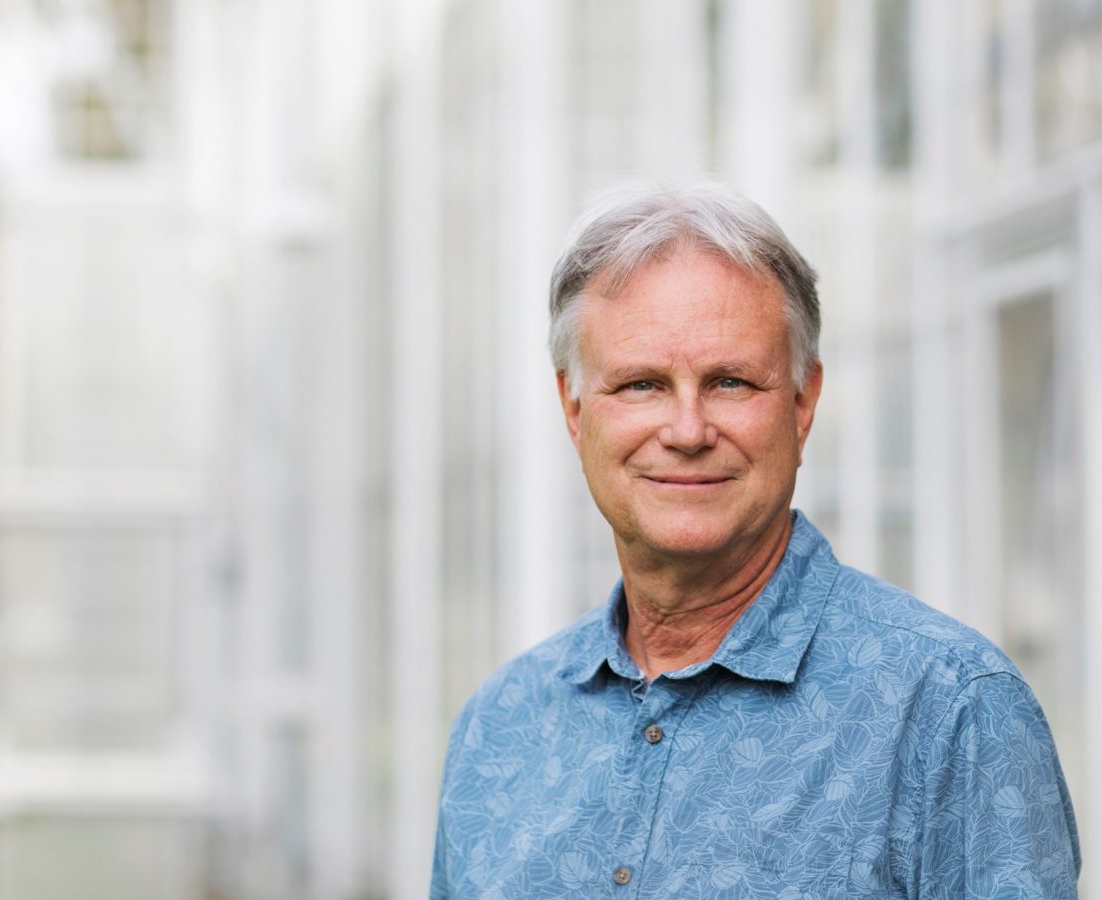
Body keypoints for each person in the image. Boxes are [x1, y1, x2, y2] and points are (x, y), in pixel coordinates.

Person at [429, 182, 1080, 898]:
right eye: (642, 384)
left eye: (731, 382)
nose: (686, 431)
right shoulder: (501, 728)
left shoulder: (950, 712)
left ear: (803, 404)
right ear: (574, 407)